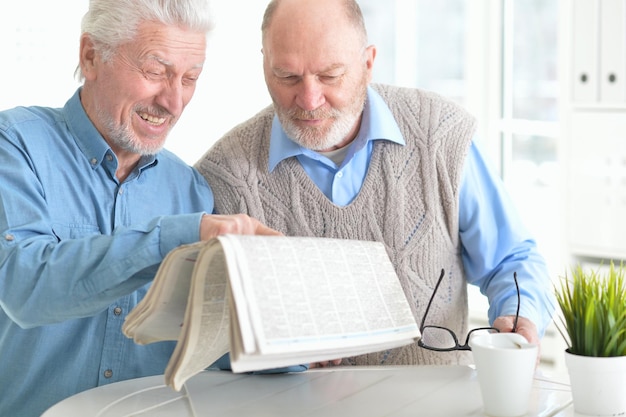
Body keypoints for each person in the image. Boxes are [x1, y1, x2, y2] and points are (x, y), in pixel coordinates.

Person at [196, 0, 556, 368]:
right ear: (264, 63)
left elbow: (511, 259)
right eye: (287, 76)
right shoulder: (223, 175)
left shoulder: (442, 138)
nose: (309, 99)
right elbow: (203, 339)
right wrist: (282, 359)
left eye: (330, 75)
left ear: (368, 63)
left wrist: (520, 315)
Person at [0, 1, 282, 416]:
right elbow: (25, 288)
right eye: (156, 71)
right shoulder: (16, 145)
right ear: (91, 56)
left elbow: (205, 346)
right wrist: (176, 238)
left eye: (190, 78)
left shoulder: (191, 188)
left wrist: (285, 346)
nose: (174, 101)